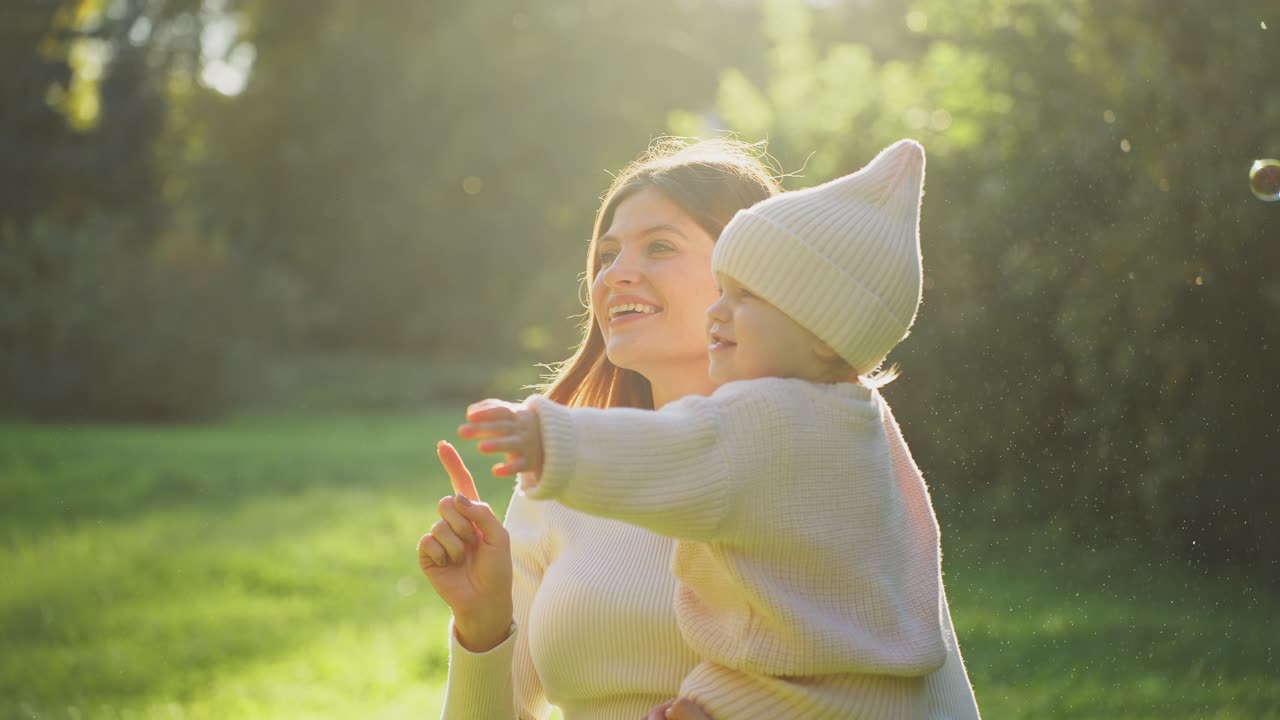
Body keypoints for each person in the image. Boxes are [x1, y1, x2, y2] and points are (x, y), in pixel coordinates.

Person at [420, 138, 978, 719]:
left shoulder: (833, 460)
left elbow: (923, 693)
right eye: (607, 255)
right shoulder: (560, 489)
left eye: (659, 247)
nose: (615, 276)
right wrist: (482, 628)